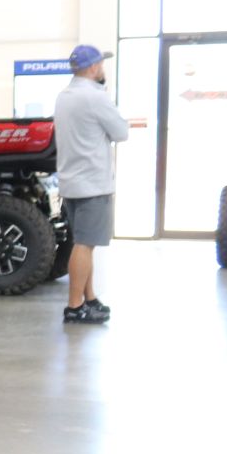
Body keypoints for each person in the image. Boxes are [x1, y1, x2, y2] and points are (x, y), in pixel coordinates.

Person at [53, 44, 130, 324]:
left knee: (82, 243)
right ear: (95, 67)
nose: (103, 68)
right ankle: (75, 307)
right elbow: (121, 133)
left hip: (72, 182)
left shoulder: (65, 96)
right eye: (101, 64)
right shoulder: (96, 97)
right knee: (85, 245)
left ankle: (90, 297)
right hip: (93, 184)